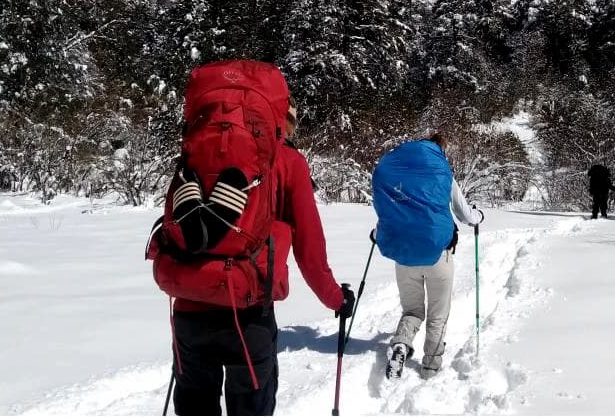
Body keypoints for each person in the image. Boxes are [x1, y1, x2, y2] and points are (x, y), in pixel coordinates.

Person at [152, 63, 354, 416]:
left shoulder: (197, 151)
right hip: (248, 311)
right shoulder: (289, 162)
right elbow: (310, 248)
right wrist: (336, 300)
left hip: (189, 303)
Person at [372, 133, 484, 380]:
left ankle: (401, 343)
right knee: (438, 315)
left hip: (405, 257)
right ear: (438, 151)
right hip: (438, 256)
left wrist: (377, 233)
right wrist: (478, 217)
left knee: (412, 311)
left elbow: (389, 213)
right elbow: (465, 213)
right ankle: (431, 367)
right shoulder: (443, 174)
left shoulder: (399, 177)